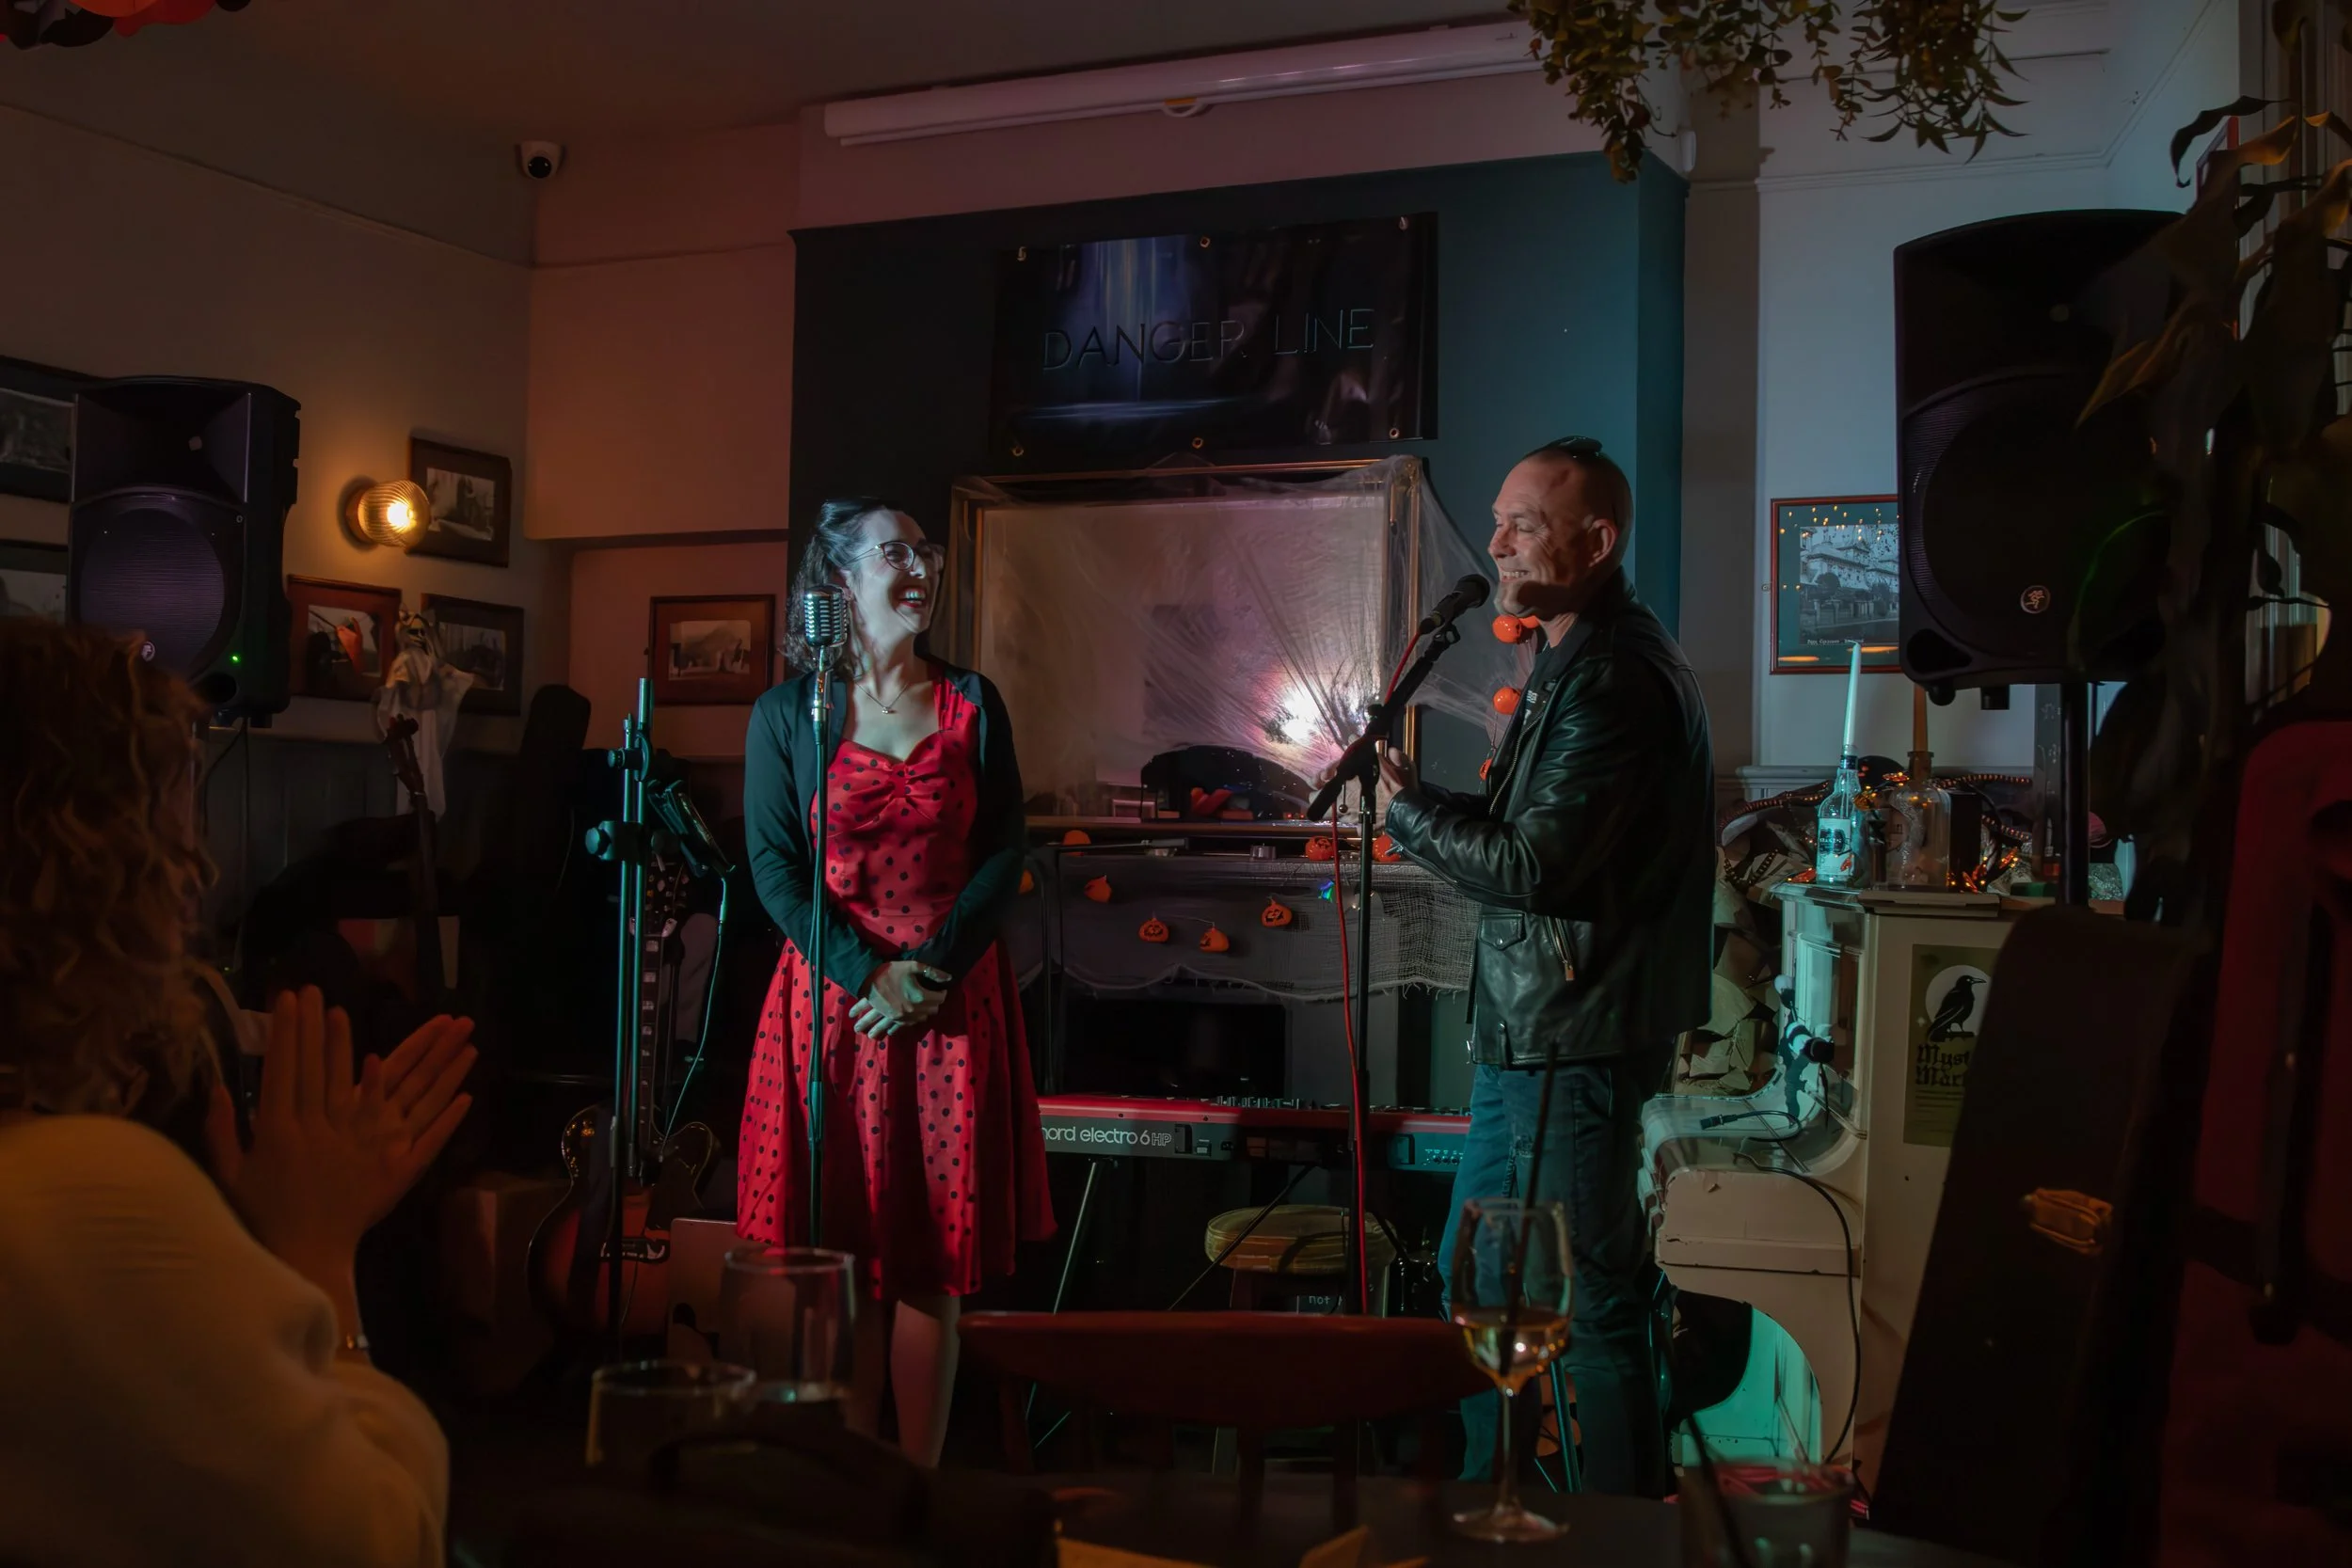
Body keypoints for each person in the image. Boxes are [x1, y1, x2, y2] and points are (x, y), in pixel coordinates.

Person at [0, 618, 478, 1567]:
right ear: (108, 865)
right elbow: (372, 1538)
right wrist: (315, 1255)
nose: (196, 871)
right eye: (177, 815)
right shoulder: (78, 1193)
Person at [1380, 437, 1714, 1497]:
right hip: (1543, 1032)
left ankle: (1623, 1530)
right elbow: (1538, 831)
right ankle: (1497, 1507)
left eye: (1523, 522)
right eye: (1498, 519)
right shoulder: (1585, 656)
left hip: (1572, 1033)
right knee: (1484, 1283)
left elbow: (1535, 865)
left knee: (1593, 1300)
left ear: (1596, 540)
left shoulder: (1612, 675)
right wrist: (1419, 795)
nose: (1497, 542)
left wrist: (1403, 811)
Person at [739, 497, 1053, 1465]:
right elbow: (772, 863)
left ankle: (915, 1489)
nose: (920, 565)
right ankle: (850, 1492)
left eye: (925, 551)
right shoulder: (790, 712)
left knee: (928, 1265)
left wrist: (931, 969)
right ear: (839, 582)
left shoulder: (972, 699)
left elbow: (1005, 848)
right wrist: (864, 972)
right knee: (840, 1256)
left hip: (949, 1000)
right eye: (895, 552)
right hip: (835, 1007)